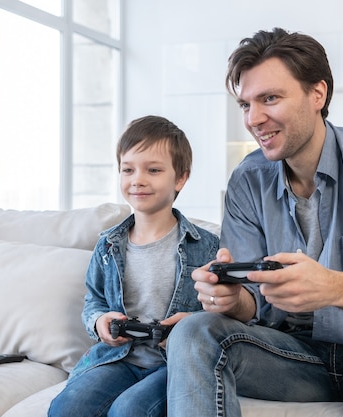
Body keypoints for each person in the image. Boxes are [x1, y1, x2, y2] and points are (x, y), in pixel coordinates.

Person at [166, 28, 343, 417]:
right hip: (293, 359)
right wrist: (234, 301)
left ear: (317, 94)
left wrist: (332, 287)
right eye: (245, 104)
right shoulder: (248, 180)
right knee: (193, 330)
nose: (254, 119)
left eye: (269, 98)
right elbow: (253, 302)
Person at [48, 115, 219, 417]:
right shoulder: (108, 245)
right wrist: (100, 323)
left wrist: (187, 327)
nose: (137, 179)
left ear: (180, 178)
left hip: (173, 365)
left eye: (153, 170)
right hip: (119, 359)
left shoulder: (206, 246)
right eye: (128, 170)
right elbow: (94, 300)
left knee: (129, 410)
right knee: (65, 409)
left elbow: (220, 315)